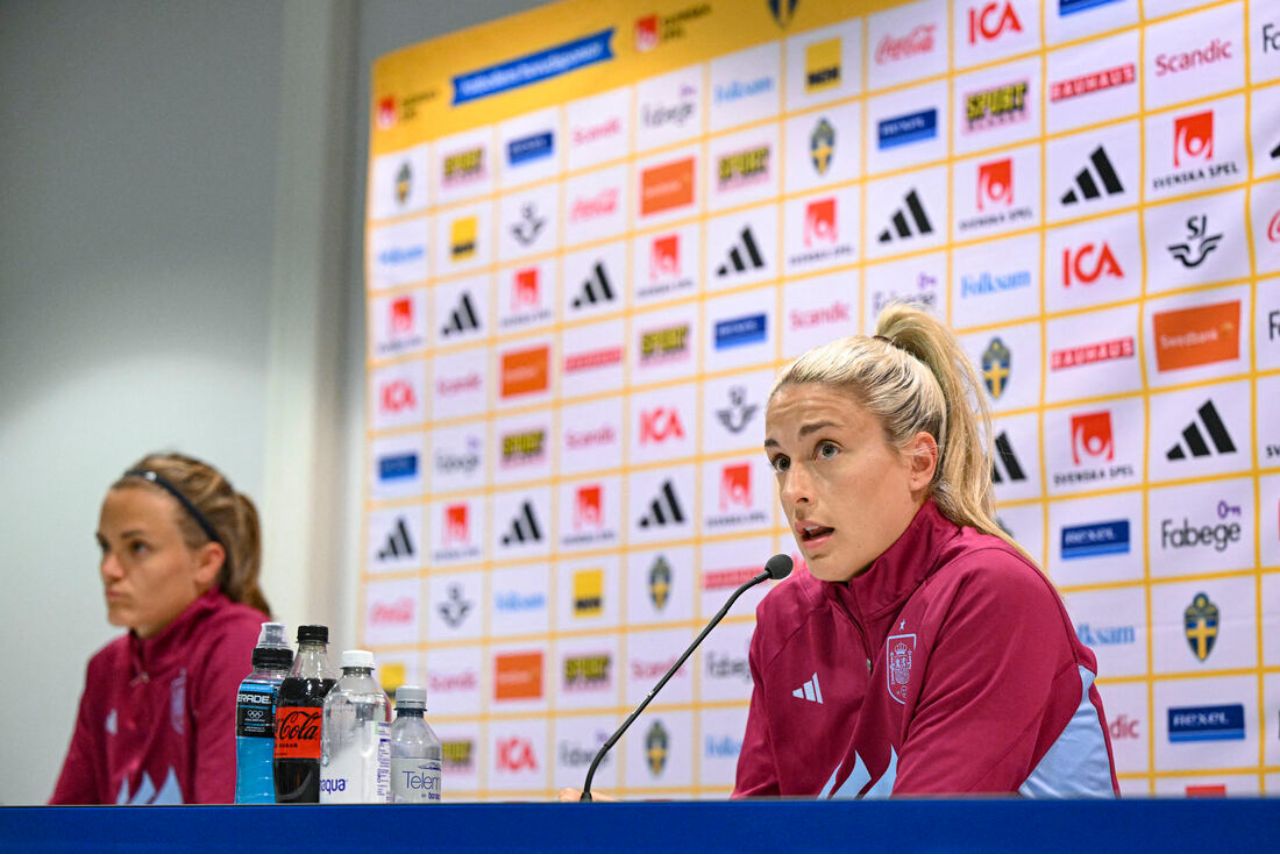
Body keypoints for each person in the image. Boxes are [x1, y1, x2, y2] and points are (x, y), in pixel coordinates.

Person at [734, 304, 1119, 798]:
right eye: (781, 461)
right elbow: (753, 833)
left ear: (919, 462)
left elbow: (923, 838)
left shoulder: (990, 591)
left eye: (826, 449)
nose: (794, 491)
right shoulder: (784, 618)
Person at [50, 453, 270, 805]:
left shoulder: (239, 642)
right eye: (105, 546)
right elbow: (62, 832)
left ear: (206, 562)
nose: (109, 568)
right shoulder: (105, 667)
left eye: (137, 547)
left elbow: (223, 832)